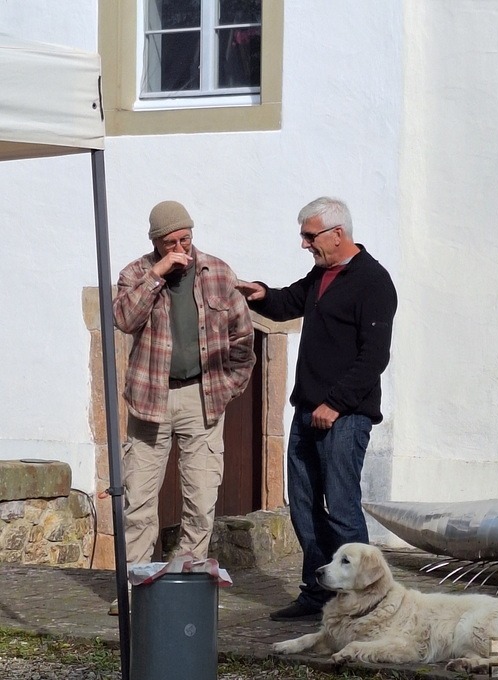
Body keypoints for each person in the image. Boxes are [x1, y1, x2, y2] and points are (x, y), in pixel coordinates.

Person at [237, 196, 397, 621]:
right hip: (307, 412)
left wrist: (336, 404)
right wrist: (261, 295)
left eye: (310, 236)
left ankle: (365, 604)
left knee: (343, 510)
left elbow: (374, 357)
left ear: (337, 234)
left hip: (344, 418)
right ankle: (317, 593)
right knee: (304, 508)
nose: (305, 244)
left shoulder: (373, 282)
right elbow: (290, 302)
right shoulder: (323, 274)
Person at [110, 200, 255, 615]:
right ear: (155, 242)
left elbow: (243, 340)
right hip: (150, 398)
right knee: (138, 497)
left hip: (202, 397)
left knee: (200, 496)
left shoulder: (219, 273)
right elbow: (123, 318)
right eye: (171, 241)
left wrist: (227, 387)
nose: (181, 247)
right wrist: (156, 275)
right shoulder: (136, 274)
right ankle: (136, 592)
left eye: (186, 238)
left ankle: (183, 586)